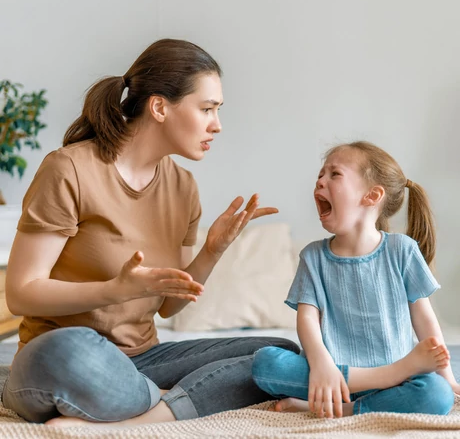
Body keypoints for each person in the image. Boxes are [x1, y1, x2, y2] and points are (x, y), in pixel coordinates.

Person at [2, 38, 299, 427]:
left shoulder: (183, 188)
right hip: (64, 355)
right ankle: (172, 400)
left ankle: (144, 412)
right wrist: (115, 289)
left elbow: (167, 305)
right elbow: (22, 292)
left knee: (279, 352)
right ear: (160, 106)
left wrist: (213, 250)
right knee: (68, 351)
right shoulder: (69, 169)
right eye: (207, 109)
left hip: (144, 359)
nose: (217, 125)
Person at [252, 140, 458, 419]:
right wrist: (321, 363)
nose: (320, 182)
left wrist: (448, 378)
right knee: (265, 363)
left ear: (372, 196)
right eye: (320, 175)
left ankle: (347, 408)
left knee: (436, 393)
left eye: (334, 174)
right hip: (333, 374)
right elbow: (307, 320)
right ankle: (383, 380)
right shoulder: (313, 257)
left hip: (391, 379)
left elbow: (425, 320)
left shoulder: (401, 250)